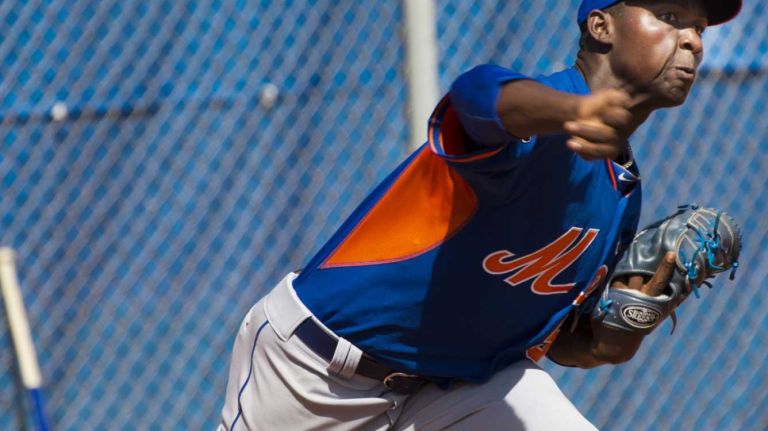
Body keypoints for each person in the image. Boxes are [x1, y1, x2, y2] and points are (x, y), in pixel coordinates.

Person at [219, 1, 741, 429]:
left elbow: (572, 344)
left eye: (698, 26)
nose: (693, 39)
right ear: (601, 26)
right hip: (317, 375)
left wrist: (630, 319)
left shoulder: (620, 192)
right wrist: (571, 112)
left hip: (457, 388)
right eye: (670, 17)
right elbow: (477, 95)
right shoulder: (533, 125)